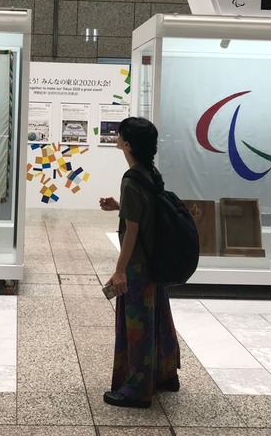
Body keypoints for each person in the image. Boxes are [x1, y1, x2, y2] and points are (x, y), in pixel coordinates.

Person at [98, 116, 180, 408]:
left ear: (128, 144)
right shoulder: (150, 172)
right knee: (158, 318)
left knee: (138, 325)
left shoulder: (131, 179)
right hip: (155, 260)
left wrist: (120, 270)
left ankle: (137, 389)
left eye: (120, 134)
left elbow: (132, 230)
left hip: (138, 265)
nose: (116, 137)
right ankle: (166, 374)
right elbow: (144, 213)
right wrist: (120, 207)